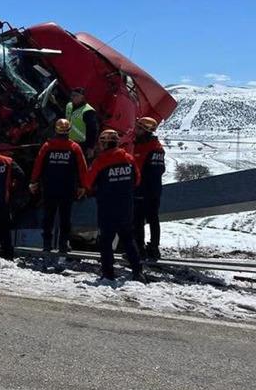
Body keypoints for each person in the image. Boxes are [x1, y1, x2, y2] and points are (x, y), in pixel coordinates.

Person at [86, 129, 146, 283]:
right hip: (126, 206)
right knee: (128, 238)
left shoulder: (100, 161)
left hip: (107, 207)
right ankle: (138, 272)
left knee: (106, 241)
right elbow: (137, 180)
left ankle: (108, 274)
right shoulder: (129, 159)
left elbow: (88, 182)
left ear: (104, 143)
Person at [29, 118, 88, 255]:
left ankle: (47, 245)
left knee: (48, 216)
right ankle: (63, 245)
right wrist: (83, 186)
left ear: (55, 130)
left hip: (49, 188)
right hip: (67, 189)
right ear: (69, 131)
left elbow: (38, 165)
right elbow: (82, 168)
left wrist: (33, 181)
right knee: (65, 217)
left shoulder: (47, 146)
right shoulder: (74, 147)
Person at [133, 116, 166, 260]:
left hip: (144, 189)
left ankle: (141, 249)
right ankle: (151, 248)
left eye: (139, 128)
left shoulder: (149, 148)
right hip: (153, 189)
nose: (136, 130)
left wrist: (138, 187)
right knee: (151, 218)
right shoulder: (154, 146)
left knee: (139, 219)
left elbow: (144, 170)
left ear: (145, 130)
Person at [65, 87, 99, 160]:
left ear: (82, 97)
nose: (73, 97)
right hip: (68, 141)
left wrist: (90, 147)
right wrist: (54, 104)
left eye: (76, 95)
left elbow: (93, 130)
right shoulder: (69, 106)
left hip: (81, 144)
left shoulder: (88, 111)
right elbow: (65, 118)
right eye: (72, 95)